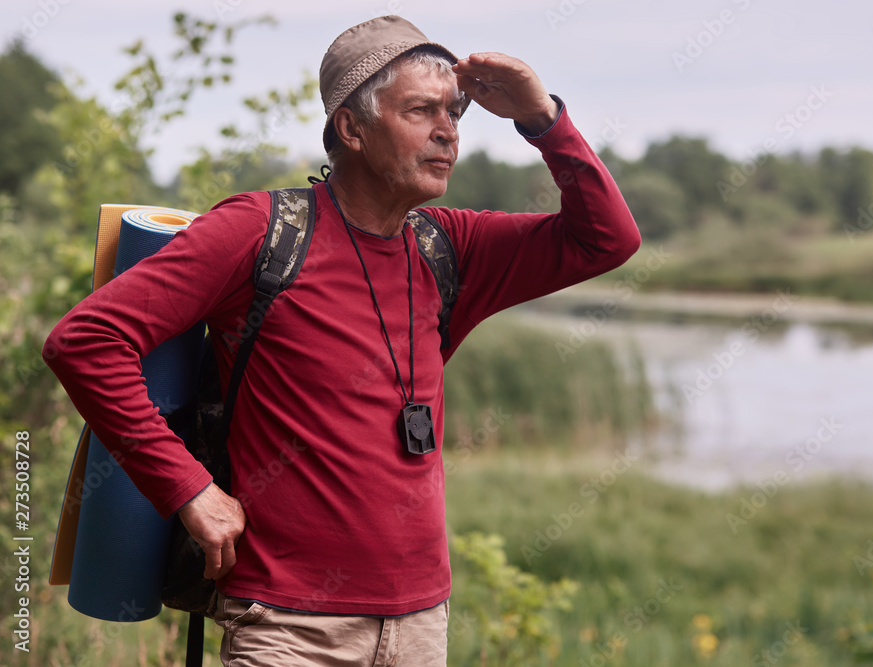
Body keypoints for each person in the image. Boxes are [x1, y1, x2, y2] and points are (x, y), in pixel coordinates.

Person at [45, 14, 641, 667]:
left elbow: (606, 239)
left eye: (454, 113)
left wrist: (540, 115)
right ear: (351, 128)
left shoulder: (452, 248)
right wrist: (187, 487)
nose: (448, 131)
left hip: (420, 625)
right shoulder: (260, 233)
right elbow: (86, 340)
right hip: (287, 627)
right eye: (421, 110)